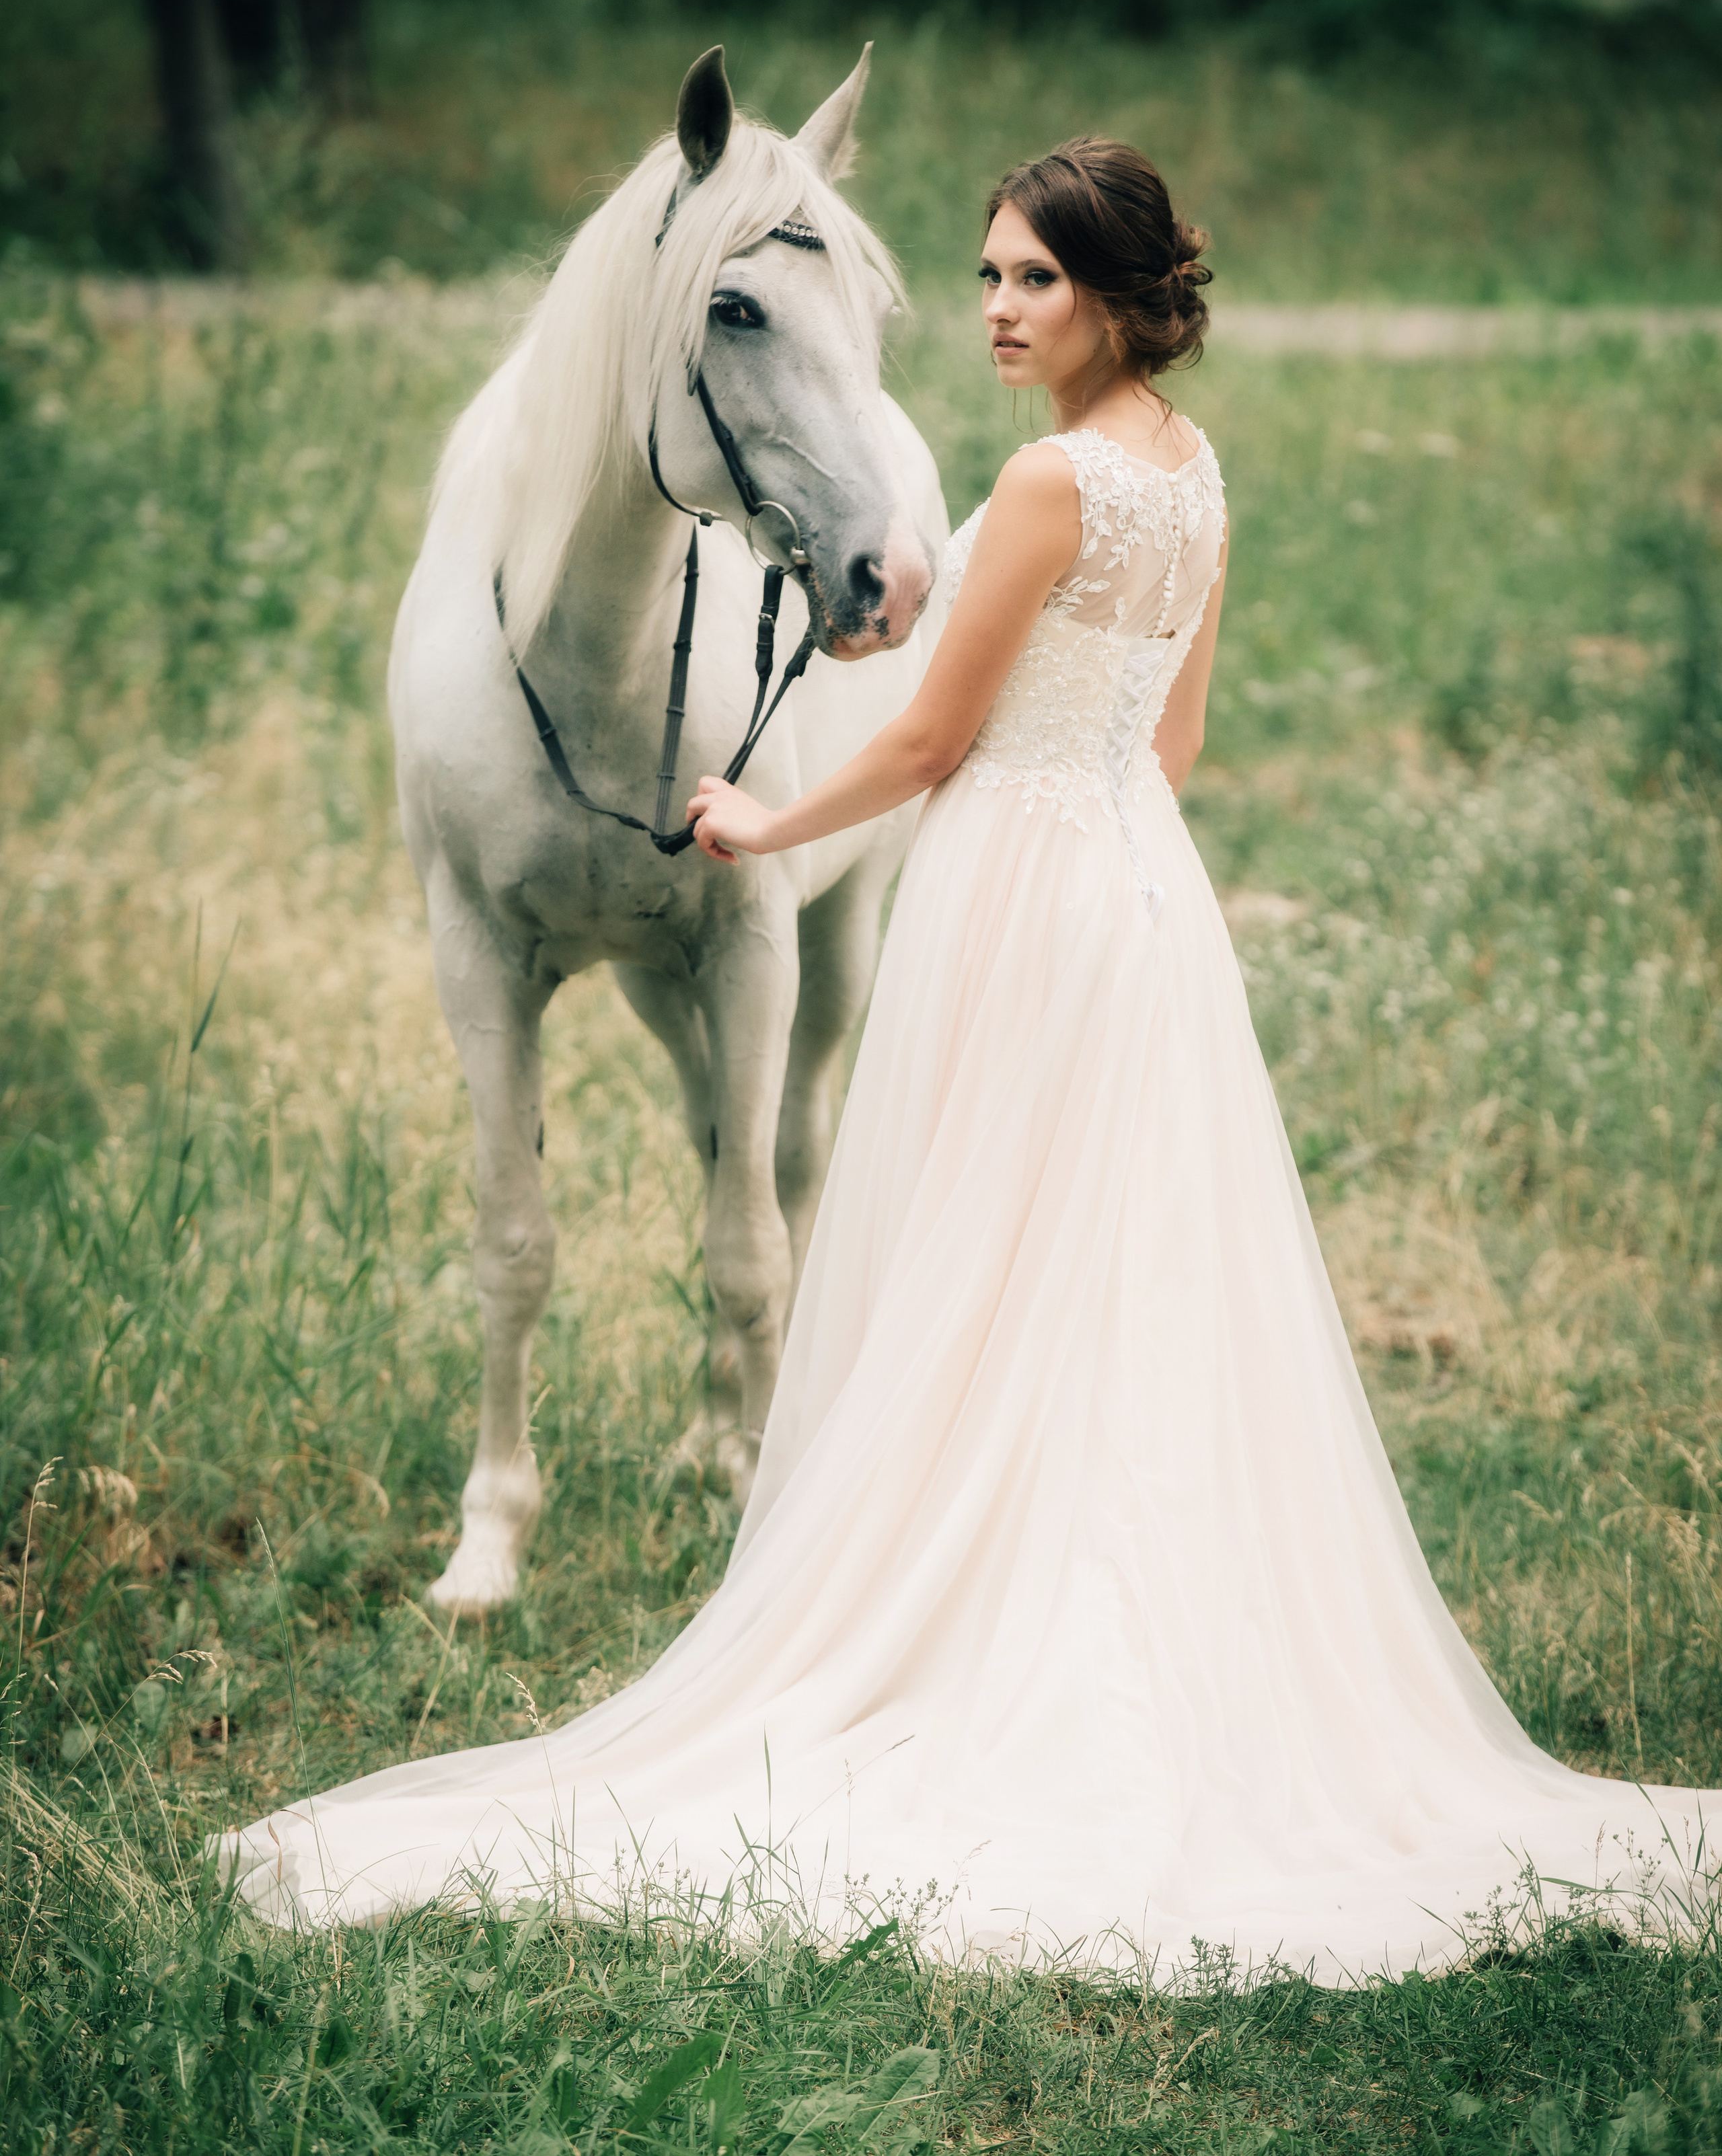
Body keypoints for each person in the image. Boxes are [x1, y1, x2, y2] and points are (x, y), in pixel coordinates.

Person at [223, 139, 1715, 1984]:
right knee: (1108, 1255)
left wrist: (767, 830)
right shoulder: (1196, 471)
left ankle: (968, 1599)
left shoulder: (1044, 483)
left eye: (1035, 282)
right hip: (1138, 895)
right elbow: (1171, 741)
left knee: (975, 1234)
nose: (1001, 312)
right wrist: (1081, 824)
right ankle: (1114, 1583)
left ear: (1114, 296)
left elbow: (927, 746)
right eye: (992, 278)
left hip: (1013, 880)